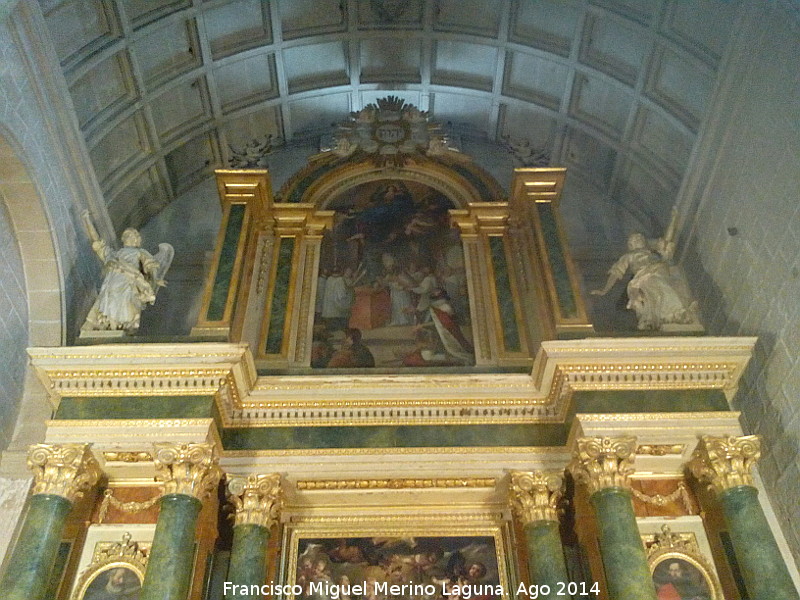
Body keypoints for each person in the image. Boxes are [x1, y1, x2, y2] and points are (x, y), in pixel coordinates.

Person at [591, 208, 698, 330]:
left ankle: (677, 313)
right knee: (658, 293)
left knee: (669, 289)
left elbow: (666, 241)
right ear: (630, 246)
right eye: (634, 239)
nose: (638, 239)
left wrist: (673, 220)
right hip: (645, 277)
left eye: (640, 237)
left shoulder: (651, 252)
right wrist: (604, 290)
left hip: (660, 271)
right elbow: (616, 273)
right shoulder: (629, 256)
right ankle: (670, 315)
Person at [83, 225, 173, 334]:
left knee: (126, 305)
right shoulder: (114, 255)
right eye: (134, 236)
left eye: (137, 236)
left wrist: (156, 279)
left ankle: (121, 326)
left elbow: (150, 266)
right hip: (112, 284)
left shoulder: (140, 252)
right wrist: (87, 219)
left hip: (128, 283)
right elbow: (98, 243)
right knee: (109, 302)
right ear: (125, 238)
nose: (137, 238)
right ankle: (108, 325)